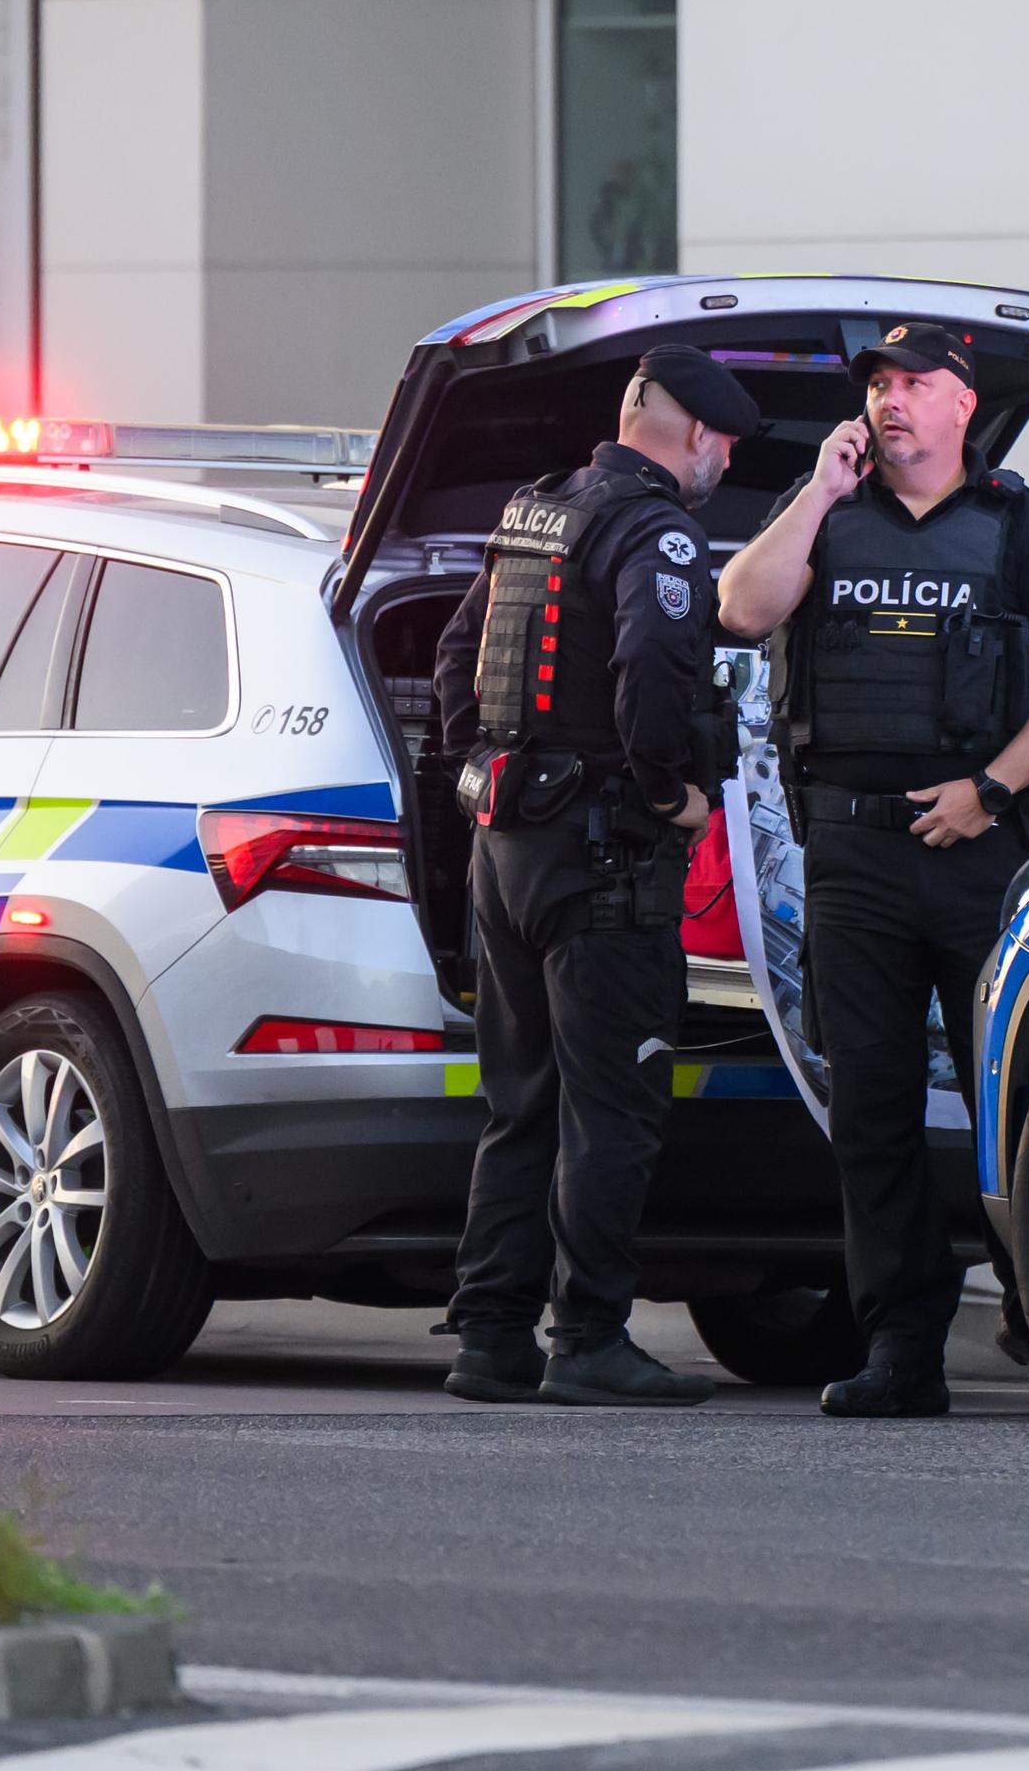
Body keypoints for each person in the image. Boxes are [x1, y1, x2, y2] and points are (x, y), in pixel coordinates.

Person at [716, 322, 1029, 1419]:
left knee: (1015, 1097)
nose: (892, 401)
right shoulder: (826, 513)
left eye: (914, 384)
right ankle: (902, 1347)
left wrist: (989, 789)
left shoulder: (1021, 522)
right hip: (854, 856)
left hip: (979, 851)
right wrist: (815, 490)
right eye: (879, 386)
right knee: (874, 1109)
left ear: (962, 405)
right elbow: (744, 609)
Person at [432, 344, 756, 1408]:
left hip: (508, 851)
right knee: (613, 1107)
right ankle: (590, 1338)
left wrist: (481, 779)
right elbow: (655, 676)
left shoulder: (535, 510)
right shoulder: (656, 527)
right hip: (603, 857)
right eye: (727, 442)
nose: (725, 461)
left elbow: (454, 657)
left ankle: (489, 1338)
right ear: (695, 432)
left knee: (519, 1101)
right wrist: (671, 793)